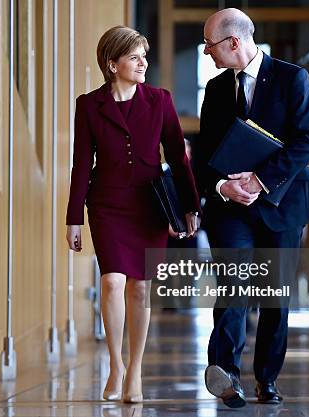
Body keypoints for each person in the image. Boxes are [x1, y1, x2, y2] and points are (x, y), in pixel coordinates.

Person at [196, 8, 309, 408]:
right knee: (233, 284)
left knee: (274, 295)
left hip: (283, 202)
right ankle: (227, 374)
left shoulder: (292, 78)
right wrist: (223, 186)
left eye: (210, 45)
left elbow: (308, 140)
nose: (206, 53)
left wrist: (260, 179)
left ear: (234, 42)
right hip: (231, 209)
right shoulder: (216, 90)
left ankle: (266, 379)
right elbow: (204, 158)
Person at [65, 25, 201, 403]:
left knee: (140, 287)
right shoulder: (89, 105)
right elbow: (80, 164)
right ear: (113, 64)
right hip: (107, 204)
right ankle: (115, 364)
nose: (144, 63)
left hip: (149, 204)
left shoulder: (160, 100)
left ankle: (135, 368)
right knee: (112, 282)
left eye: (145, 56)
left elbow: (176, 155)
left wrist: (190, 207)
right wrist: (73, 218)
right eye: (134, 57)